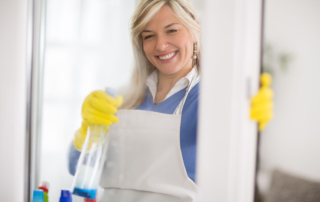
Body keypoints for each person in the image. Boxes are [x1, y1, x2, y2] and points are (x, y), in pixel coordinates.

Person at [68, 0, 273, 201]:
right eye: (149, 36)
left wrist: (245, 125)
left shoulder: (208, 101)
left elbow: (235, 170)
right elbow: (75, 168)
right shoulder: (119, 99)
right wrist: (86, 133)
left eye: (172, 30)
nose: (160, 45)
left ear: (195, 31)